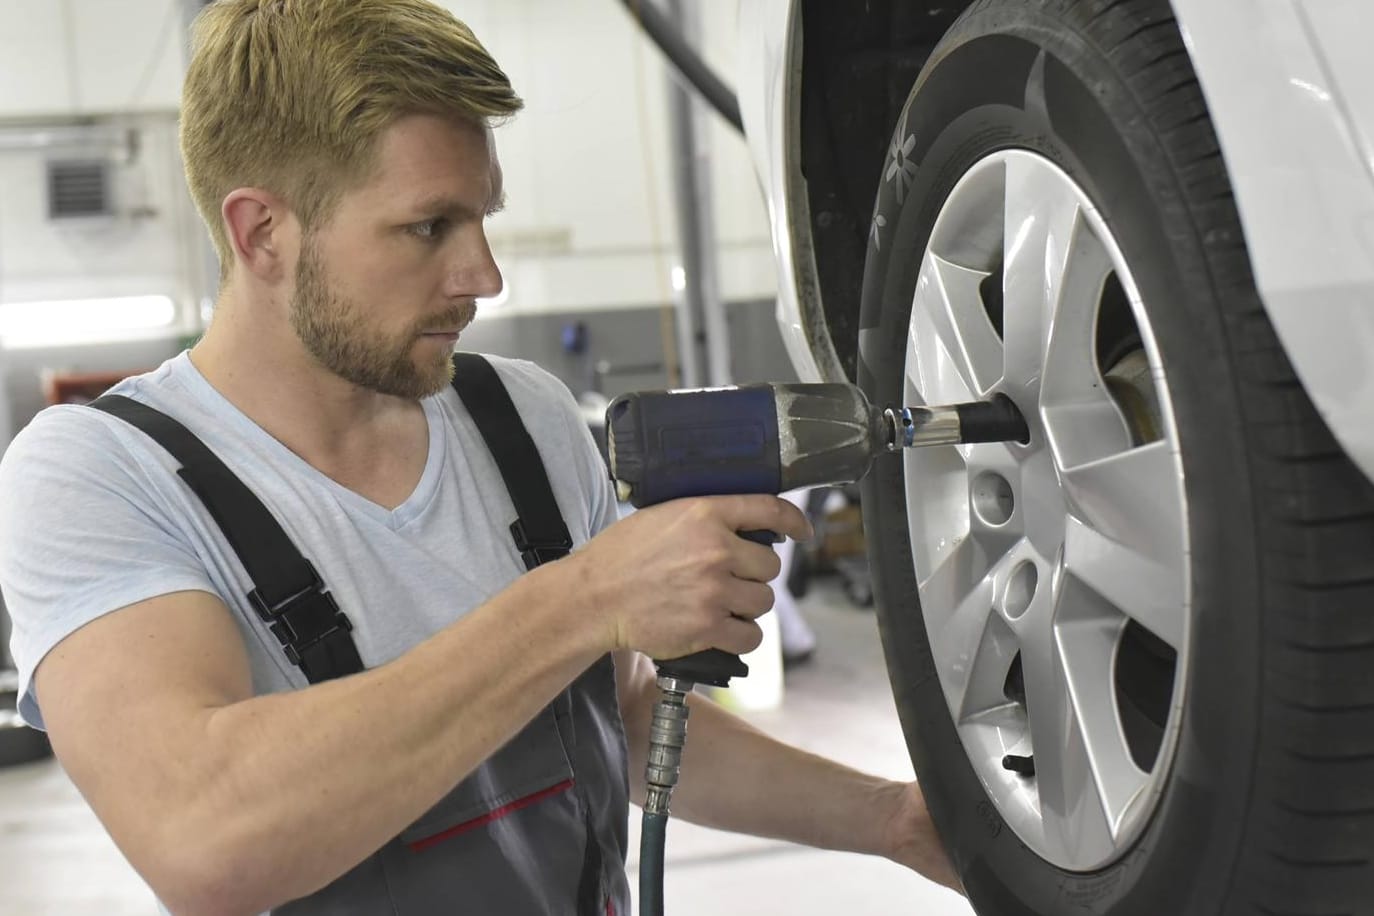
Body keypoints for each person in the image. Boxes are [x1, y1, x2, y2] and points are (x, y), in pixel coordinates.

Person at [0, 1, 960, 913]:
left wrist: (893, 820)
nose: (483, 276)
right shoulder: (102, 474)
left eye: (484, 217)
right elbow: (202, 840)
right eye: (429, 227)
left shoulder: (521, 418)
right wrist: (582, 599)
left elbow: (624, 717)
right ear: (263, 234)